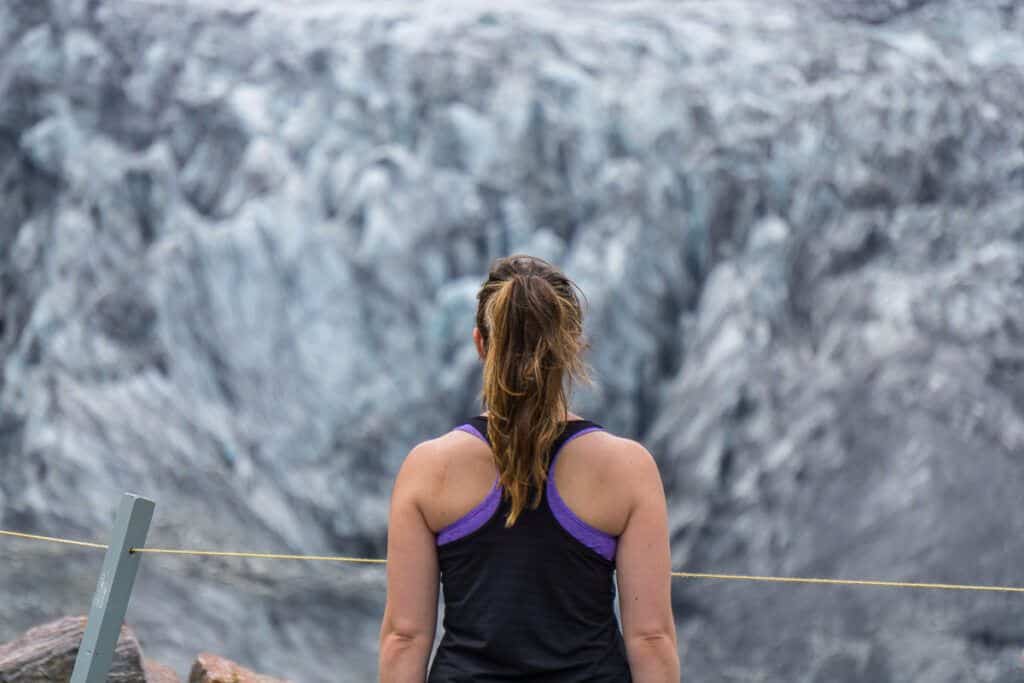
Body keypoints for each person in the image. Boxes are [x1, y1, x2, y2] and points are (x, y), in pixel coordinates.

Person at [379, 255, 680, 682]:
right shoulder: (627, 469)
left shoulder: (429, 469)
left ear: (480, 344)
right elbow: (651, 638)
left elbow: (404, 638)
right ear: (572, 344)